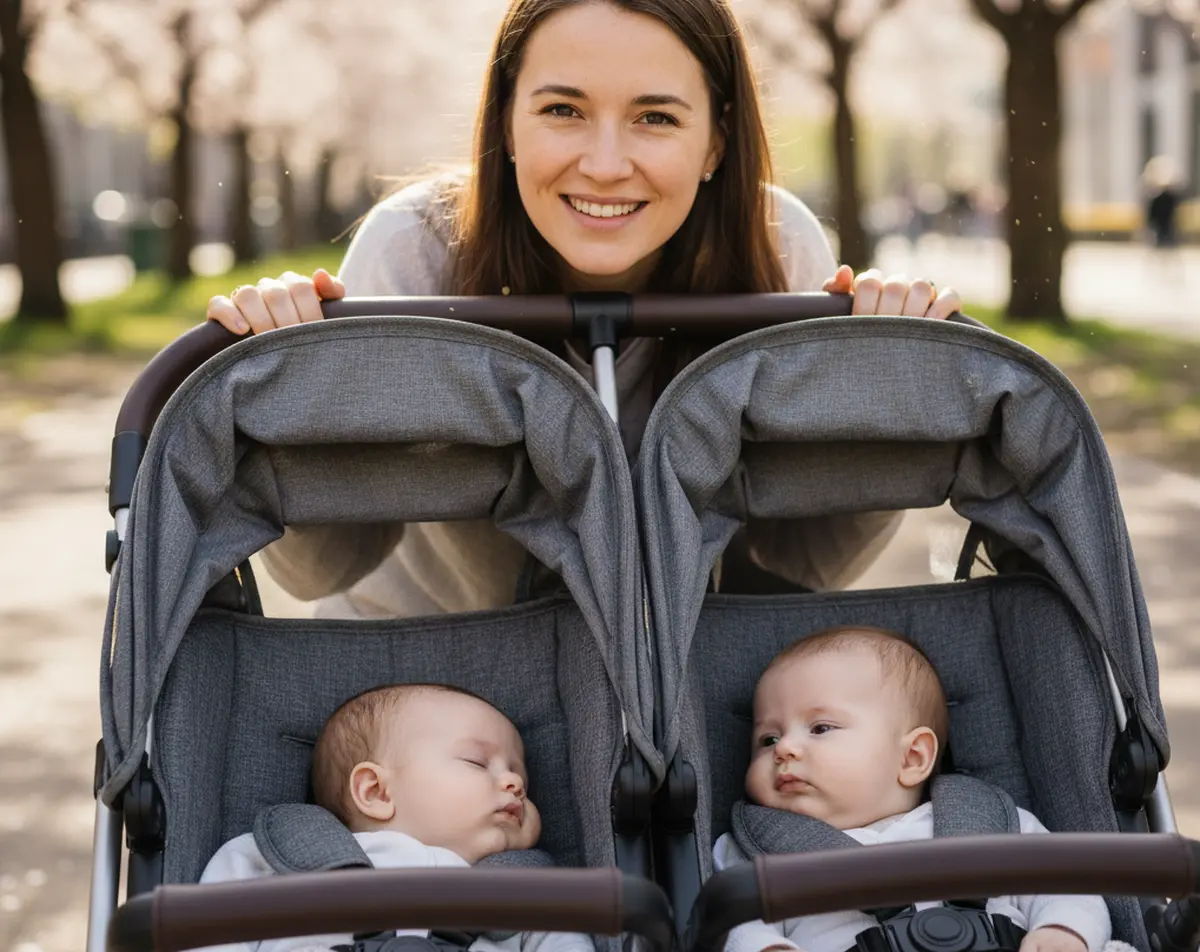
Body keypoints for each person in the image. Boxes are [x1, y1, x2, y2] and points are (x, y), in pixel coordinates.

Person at [206, 0, 964, 619]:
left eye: (655, 118)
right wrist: (292, 400)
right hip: (427, 671)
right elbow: (322, 570)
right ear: (507, 122)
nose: (604, 164)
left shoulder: (777, 248)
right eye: (563, 109)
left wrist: (885, 401)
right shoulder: (415, 252)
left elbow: (807, 562)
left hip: (680, 676)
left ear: (716, 142)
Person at [713, 626, 1112, 952]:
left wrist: (1063, 931)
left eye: (820, 728)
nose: (784, 748)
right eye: (767, 739)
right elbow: (734, 924)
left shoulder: (989, 822)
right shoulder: (757, 851)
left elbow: (1066, 887)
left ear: (911, 758)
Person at [199, 683, 593, 952]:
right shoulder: (282, 857)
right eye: (476, 762)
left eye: (522, 779)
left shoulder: (526, 894)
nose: (515, 783)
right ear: (376, 792)